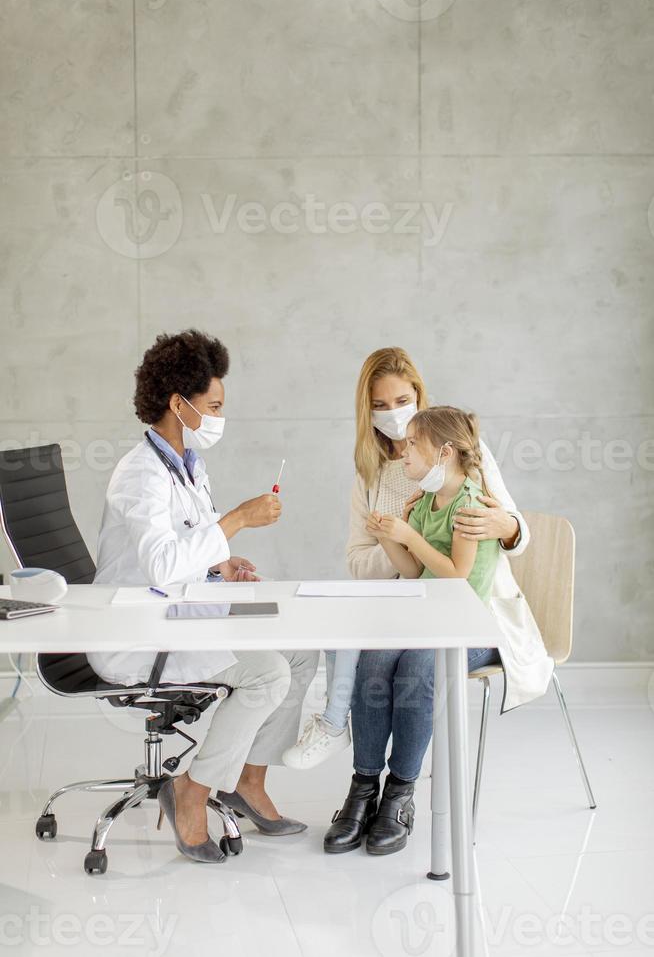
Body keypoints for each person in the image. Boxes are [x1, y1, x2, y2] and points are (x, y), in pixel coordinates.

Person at [88, 329, 319, 862]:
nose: (219, 416)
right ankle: (192, 789)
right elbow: (162, 565)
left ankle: (245, 780)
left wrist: (221, 564)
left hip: (178, 614)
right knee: (270, 673)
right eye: (213, 405)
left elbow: (186, 547)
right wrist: (237, 520)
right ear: (178, 403)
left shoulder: (186, 464)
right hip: (138, 634)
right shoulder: (140, 475)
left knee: (303, 651)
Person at [322, 347, 552, 856]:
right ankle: (363, 787)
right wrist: (391, 536)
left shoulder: (463, 459)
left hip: (474, 617)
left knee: (421, 669)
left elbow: (490, 551)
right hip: (414, 613)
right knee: (375, 659)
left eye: (403, 400)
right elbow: (366, 563)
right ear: (368, 410)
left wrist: (505, 525)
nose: (394, 414)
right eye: (381, 404)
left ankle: (400, 793)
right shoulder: (376, 474)